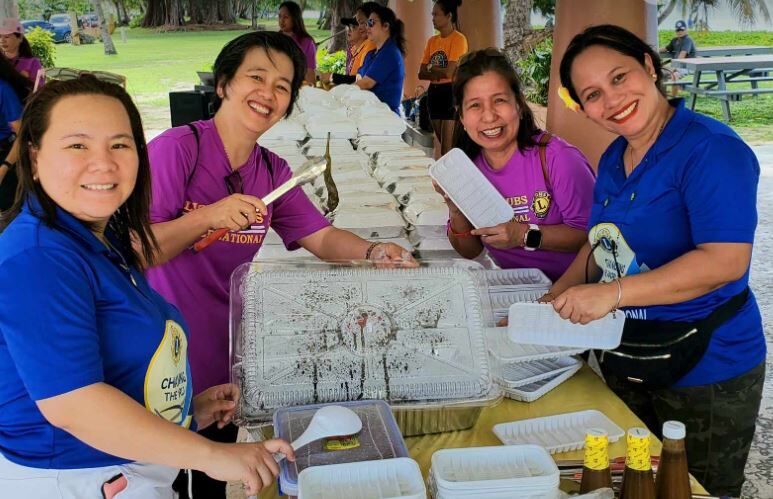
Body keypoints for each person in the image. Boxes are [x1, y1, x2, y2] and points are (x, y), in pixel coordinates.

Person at [144, 31, 415, 498]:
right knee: (158, 476)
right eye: (256, 77)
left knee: (212, 475)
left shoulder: (273, 171)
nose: (268, 94)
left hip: (219, 352)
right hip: (159, 352)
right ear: (225, 83)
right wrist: (210, 215)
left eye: (283, 86)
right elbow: (139, 248)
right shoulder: (177, 150)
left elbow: (322, 237)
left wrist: (374, 252)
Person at [0, 76, 294, 499]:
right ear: (34, 155)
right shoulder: (38, 257)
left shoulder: (97, 238)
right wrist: (212, 455)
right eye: (77, 145)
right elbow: (75, 404)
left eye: (119, 145)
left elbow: (111, 361)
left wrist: (185, 410)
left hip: (122, 469)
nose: (103, 163)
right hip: (76, 479)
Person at [556, 24, 764, 496]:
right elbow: (599, 243)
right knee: (629, 485)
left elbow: (724, 261)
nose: (611, 100)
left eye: (619, 77)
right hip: (629, 355)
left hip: (706, 369)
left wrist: (612, 294)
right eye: (592, 94)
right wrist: (556, 295)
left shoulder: (711, 150)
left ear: (649, 66)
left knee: (691, 489)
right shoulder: (614, 157)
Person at [436, 48, 595, 282]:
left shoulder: (558, 158)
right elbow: (471, 251)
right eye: (475, 105)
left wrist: (525, 235)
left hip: (574, 292)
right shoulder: (467, 168)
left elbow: (594, 235)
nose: (489, 117)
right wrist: (456, 210)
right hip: (513, 287)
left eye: (499, 100)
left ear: (519, 104)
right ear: (461, 115)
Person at [418, 0, 468, 157]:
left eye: (436, 14)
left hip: (450, 93)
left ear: (449, 16)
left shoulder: (459, 39)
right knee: (443, 143)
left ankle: (451, 180)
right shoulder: (432, 41)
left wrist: (431, 68)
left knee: (448, 148)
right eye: (432, 14)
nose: (432, 18)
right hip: (434, 93)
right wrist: (436, 71)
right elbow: (421, 73)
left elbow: (449, 73)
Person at [356, 5, 406, 115]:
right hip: (372, 113)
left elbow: (366, 83)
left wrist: (342, 91)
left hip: (386, 118)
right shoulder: (371, 54)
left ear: (385, 26)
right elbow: (359, 77)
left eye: (371, 23)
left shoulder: (390, 53)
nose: (367, 27)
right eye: (367, 23)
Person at [0, 55, 32, 212]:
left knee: (7, 214)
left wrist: (4, 168)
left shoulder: (3, 90)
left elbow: (22, 135)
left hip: (4, 157)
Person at [278, 0, 317, 85]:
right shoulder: (274, 40)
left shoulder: (307, 42)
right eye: (280, 16)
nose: (281, 20)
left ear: (295, 18)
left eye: (286, 17)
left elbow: (309, 73)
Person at [0, 17, 44, 90]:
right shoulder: (1, 60)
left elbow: (39, 90)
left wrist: (24, 80)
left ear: (20, 38)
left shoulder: (33, 62)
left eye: (7, 37)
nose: (2, 40)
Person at [660, 20, 696, 97]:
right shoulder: (675, 40)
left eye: (682, 30)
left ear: (686, 30)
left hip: (687, 66)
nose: (679, 32)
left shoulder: (688, 40)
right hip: (677, 65)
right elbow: (666, 49)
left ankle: (674, 95)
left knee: (674, 74)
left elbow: (682, 56)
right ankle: (663, 94)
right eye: (678, 30)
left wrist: (673, 68)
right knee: (661, 72)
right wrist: (654, 50)